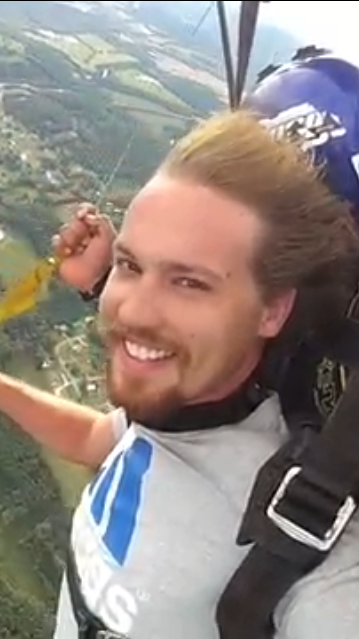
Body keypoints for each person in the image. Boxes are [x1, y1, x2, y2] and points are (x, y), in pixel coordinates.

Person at [1, 105, 359, 639]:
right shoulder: (185, 410)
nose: (133, 310)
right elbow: (100, 437)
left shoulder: (312, 554)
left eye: (190, 282)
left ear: (273, 310)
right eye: (131, 265)